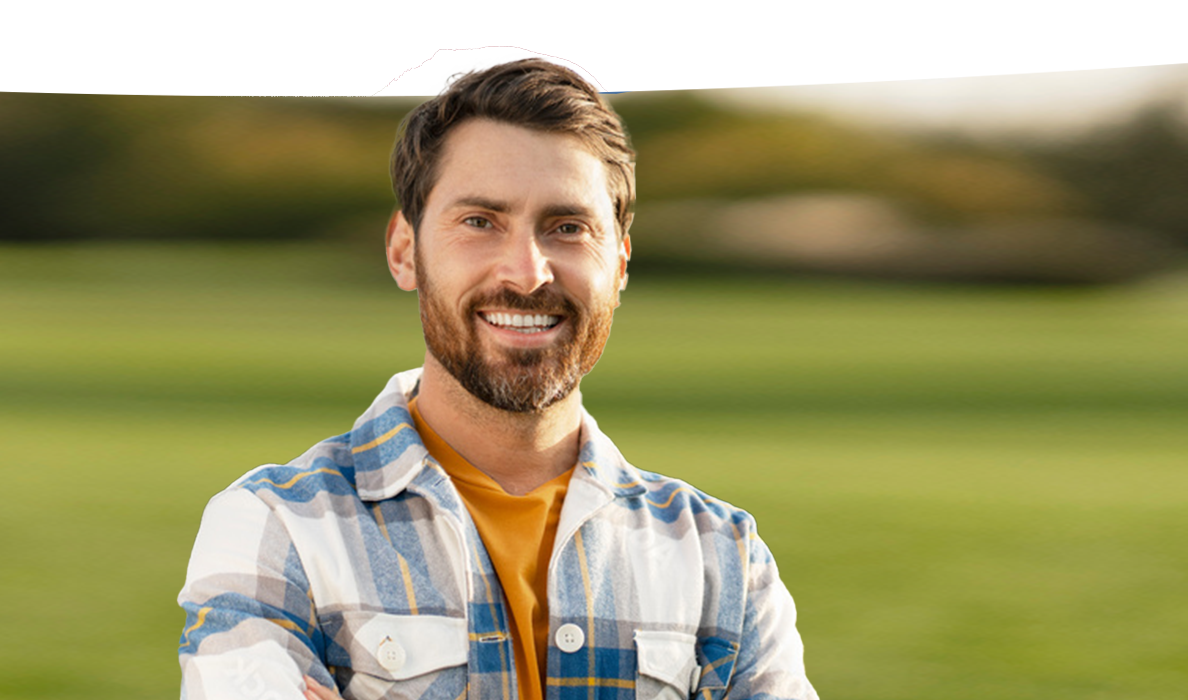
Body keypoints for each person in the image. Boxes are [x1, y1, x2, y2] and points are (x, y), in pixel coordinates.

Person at [176, 56, 816, 700]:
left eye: (568, 228)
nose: (527, 272)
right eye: (480, 222)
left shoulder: (720, 555)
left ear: (619, 264)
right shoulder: (277, 525)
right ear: (404, 251)